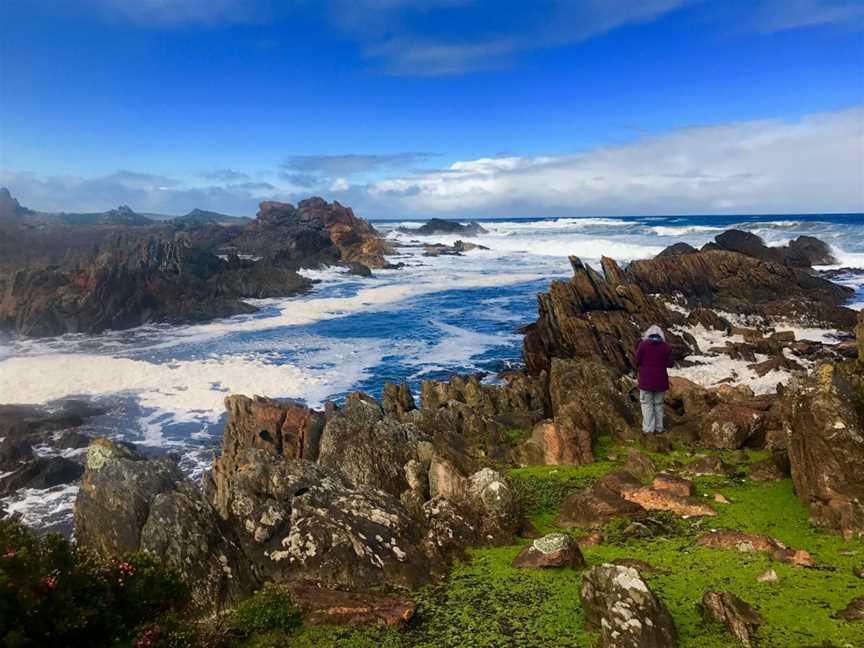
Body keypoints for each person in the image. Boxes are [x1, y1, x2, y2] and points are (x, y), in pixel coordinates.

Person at [634, 324, 673, 434]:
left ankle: (648, 430)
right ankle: (659, 428)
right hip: (661, 381)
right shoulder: (666, 347)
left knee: (647, 405)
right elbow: (670, 364)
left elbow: (637, 361)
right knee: (658, 405)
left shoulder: (643, 345)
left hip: (646, 381)